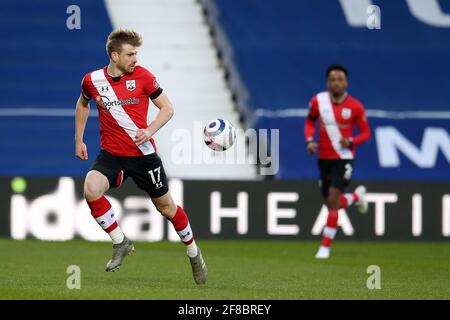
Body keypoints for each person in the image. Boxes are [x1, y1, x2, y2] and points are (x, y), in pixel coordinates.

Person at [74, 29, 207, 284]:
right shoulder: (92, 81)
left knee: (166, 208)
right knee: (91, 189)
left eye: (136, 53)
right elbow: (82, 103)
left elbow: (167, 108)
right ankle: (120, 242)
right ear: (114, 55)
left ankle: (193, 252)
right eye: (130, 54)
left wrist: (150, 130)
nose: (136, 58)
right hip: (111, 154)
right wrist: (79, 139)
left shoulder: (144, 77)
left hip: (143, 156)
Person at [304, 64, 371, 259]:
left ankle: (325, 247)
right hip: (323, 158)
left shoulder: (356, 107)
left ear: (346, 82)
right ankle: (357, 197)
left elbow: (366, 133)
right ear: (327, 82)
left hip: (344, 158)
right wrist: (309, 140)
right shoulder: (318, 101)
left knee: (333, 201)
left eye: (340, 79)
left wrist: (351, 140)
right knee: (330, 202)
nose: (336, 82)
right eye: (332, 79)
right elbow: (309, 122)